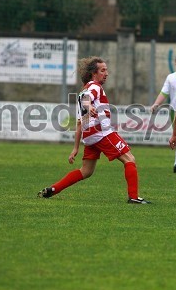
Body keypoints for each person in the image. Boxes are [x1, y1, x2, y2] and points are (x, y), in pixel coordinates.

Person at [38, 56, 151, 204]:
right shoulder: (94, 87)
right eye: (103, 70)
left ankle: (53, 189)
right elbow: (87, 99)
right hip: (102, 132)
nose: (107, 73)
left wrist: (75, 148)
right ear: (94, 73)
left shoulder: (83, 91)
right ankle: (134, 197)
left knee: (86, 171)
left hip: (90, 136)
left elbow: (80, 123)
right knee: (129, 159)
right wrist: (89, 106)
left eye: (107, 70)